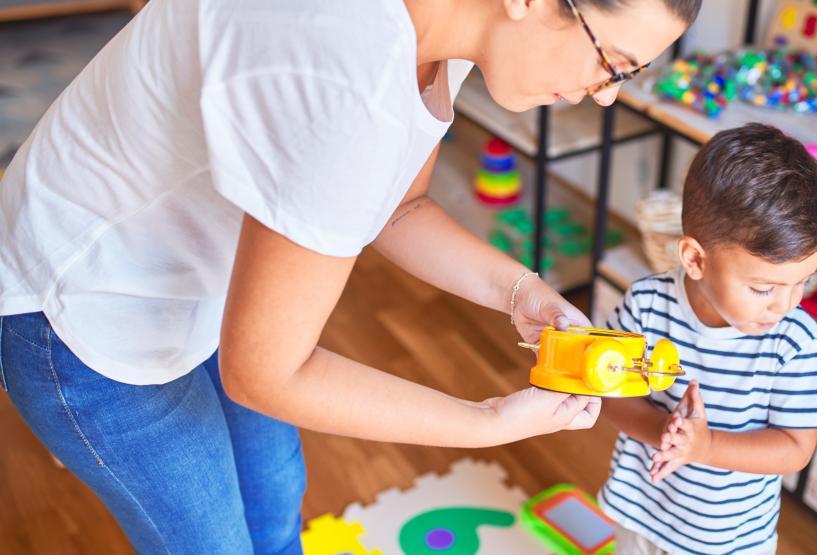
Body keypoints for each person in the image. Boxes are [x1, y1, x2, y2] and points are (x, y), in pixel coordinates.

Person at [0, 0, 699, 551]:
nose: (606, 95)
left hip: (207, 281)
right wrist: (487, 422)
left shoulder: (448, 26)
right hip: (84, 304)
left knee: (275, 501)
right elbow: (268, 373)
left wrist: (521, 291)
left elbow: (401, 207)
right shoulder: (344, 80)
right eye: (614, 62)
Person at [600, 123, 817, 554]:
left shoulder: (795, 342)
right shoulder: (647, 303)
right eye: (764, 288)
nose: (784, 304)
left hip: (727, 540)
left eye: (802, 281)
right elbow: (610, 394)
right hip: (642, 512)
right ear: (694, 259)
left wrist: (704, 445)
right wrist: (662, 430)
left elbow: (795, 449)